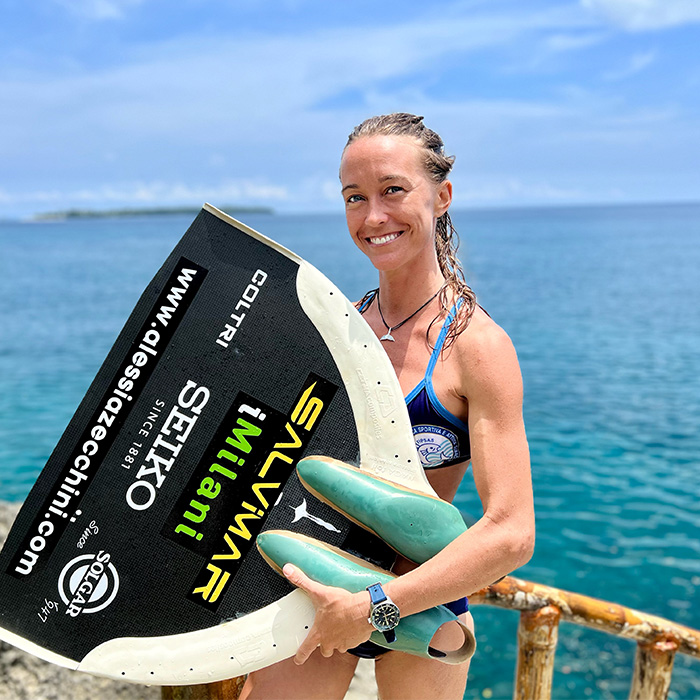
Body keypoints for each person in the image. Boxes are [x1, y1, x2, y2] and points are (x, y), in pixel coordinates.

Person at [240, 113, 534, 700]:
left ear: (441, 197)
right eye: (355, 197)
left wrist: (375, 606)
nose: (373, 216)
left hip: (422, 600)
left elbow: (511, 533)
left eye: (392, 190)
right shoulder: (334, 328)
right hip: (315, 587)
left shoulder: (476, 346)